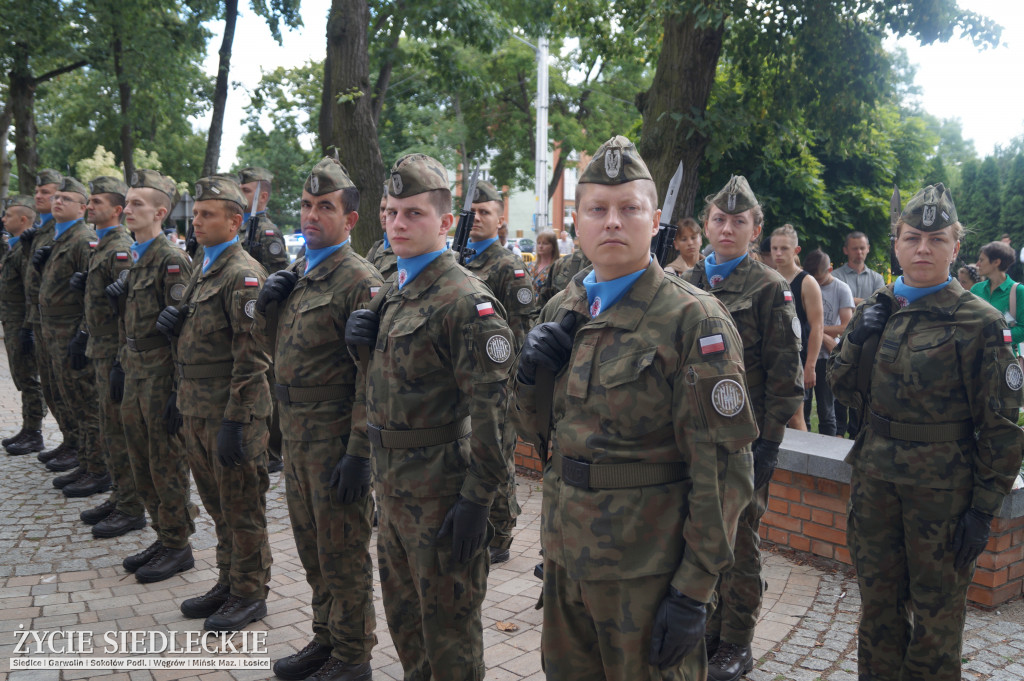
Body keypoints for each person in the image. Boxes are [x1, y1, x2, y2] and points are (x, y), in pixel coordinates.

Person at [513, 135, 757, 680]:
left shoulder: (693, 319)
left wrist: (694, 590)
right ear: (578, 222)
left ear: (655, 222)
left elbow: (723, 471)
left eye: (630, 208)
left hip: (645, 572)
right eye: (597, 209)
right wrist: (531, 373)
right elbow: (536, 434)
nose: (613, 222)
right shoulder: (563, 306)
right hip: (566, 559)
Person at [827, 183, 1024, 681]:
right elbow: (843, 390)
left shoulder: (979, 322)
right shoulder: (881, 305)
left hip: (943, 495)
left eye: (937, 239)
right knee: (878, 608)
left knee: (936, 621)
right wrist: (859, 339)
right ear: (896, 243)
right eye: (913, 237)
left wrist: (983, 510)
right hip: (875, 484)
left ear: (956, 247)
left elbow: (1001, 429)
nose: (922, 248)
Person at [344, 153, 513, 680]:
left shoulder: (465, 301)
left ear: (444, 223)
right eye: (390, 212)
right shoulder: (395, 288)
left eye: (413, 213)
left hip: (442, 493)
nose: (397, 223)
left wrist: (478, 500)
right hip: (393, 489)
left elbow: (496, 416)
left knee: (449, 637)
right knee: (406, 624)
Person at [257, 158, 380, 681]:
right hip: (297, 437)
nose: (311, 216)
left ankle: (353, 655)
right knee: (311, 547)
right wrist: (268, 308)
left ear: (349, 220)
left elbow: (369, 379)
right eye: (306, 206)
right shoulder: (298, 275)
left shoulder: (359, 281)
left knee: (343, 552)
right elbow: (280, 356)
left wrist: (359, 454)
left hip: (334, 441)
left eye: (324, 207)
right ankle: (326, 637)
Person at [685, 175, 804, 681]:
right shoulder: (684, 282)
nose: (726, 228)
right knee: (691, 535)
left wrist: (770, 447)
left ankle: (736, 641)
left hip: (742, 444)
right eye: (718, 219)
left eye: (738, 221)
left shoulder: (769, 288)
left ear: (754, 229)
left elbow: (786, 375)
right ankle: (704, 629)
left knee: (737, 544)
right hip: (688, 439)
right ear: (706, 225)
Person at [157, 176, 272, 631]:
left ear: (235, 221)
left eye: (207, 214)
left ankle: (249, 591)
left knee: (242, 506)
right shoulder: (203, 268)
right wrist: (176, 394)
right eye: (196, 213)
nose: (197, 221)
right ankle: (229, 580)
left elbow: (253, 357)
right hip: (197, 407)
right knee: (217, 504)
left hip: (230, 411)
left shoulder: (243, 275)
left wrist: (237, 421)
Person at [105, 169, 197, 577]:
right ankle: (163, 535)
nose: (128, 210)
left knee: (166, 462)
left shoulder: (171, 260)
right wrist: (120, 366)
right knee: (140, 460)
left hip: (160, 377)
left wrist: (179, 390)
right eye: (126, 203)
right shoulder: (137, 258)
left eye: (137, 204)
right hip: (135, 370)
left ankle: (178, 544)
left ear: (161, 212)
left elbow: (183, 332)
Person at [461, 180, 535, 563]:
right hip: (464, 382)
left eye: (484, 212)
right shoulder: (459, 258)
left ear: (500, 219)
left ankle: (500, 534)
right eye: (471, 212)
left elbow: (520, 331)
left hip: (498, 383)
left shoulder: (509, 265)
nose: (476, 218)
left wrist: (510, 387)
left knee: (500, 456)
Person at [74, 176, 145, 536]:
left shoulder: (120, 248)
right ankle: (120, 496)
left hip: (114, 353)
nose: (90, 206)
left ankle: (131, 506)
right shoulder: (103, 245)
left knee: (118, 431)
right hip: (100, 348)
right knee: (109, 426)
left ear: (116, 209)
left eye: (97, 201)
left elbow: (126, 312)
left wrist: (119, 359)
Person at [36, 176, 110, 497]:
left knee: (85, 401)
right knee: (66, 396)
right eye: (57, 197)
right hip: (53, 331)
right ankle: (81, 455)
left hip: (72, 333)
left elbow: (91, 296)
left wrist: (83, 334)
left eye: (66, 198)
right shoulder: (58, 238)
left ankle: (97, 468)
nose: (57, 201)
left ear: (82, 208)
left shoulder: (83, 240)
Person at [25, 169, 78, 471]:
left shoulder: (78, 237)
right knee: (54, 388)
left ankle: (85, 452)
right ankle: (72, 443)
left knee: (73, 394)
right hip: (43, 321)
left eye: (54, 193)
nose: (45, 198)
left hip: (65, 327)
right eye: (44, 194)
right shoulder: (47, 231)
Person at [238, 166, 286, 475]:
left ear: (262, 195)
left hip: (264, 319)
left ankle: (273, 450)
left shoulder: (267, 231)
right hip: (246, 319)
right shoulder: (242, 229)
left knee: (268, 384)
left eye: (245, 191)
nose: (239, 195)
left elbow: (277, 277)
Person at [0, 195, 46, 456]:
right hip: (12, 320)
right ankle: (28, 428)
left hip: (21, 322)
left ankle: (35, 431)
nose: (3, 220)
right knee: (21, 376)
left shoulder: (25, 251)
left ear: (23, 219)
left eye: (7, 216)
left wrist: (29, 326)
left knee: (29, 378)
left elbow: (32, 291)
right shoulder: (15, 247)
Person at [832, 231, 886, 438]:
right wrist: (866, 301)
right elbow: (873, 301)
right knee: (840, 384)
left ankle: (857, 431)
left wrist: (850, 299)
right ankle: (837, 431)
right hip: (842, 339)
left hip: (868, 343)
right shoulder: (837, 276)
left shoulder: (877, 277)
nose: (859, 252)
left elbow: (880, 304)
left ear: (868, 249)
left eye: (863, 248)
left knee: (862, 386)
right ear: (846, 250)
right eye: (855, 248)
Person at [770, 224, 822, 432]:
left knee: (795, 417)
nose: (778, 253)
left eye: (784, 248)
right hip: (769, 357)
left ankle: (803, 462)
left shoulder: (807, 282)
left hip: (795, 359)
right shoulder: (767, 278)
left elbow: (817, 326)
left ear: (796, 250)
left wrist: (810, 365)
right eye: (774, 248)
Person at [801, 249, 853, 436]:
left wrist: (817, 330)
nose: (815, 284)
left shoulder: (841, 289)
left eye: (820, 280)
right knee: (802, 411)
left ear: (830, 270)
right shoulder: (804, 284)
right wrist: (818, 332)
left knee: (826, 411)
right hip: (805, 354)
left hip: (827, 358)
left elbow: (846, 326)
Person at [971, 241, 1024, 357]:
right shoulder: (976, 289)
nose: (977, 264)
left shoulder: (1019, 291)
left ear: (996, 262)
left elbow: (1022, 329)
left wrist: (998, 336)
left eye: (982, 260)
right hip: (976, 358)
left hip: (1005, 360)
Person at [365, 188, 397, 281]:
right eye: (382, 209)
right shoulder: (376, 248)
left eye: (390, 211)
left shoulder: (405, 251)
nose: (384, 215)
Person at [530, 230, 559, 294]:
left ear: (553, 246)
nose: (540, 246)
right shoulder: (531, 265)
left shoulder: (557, 267)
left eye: (545, 243)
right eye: (539, 243)